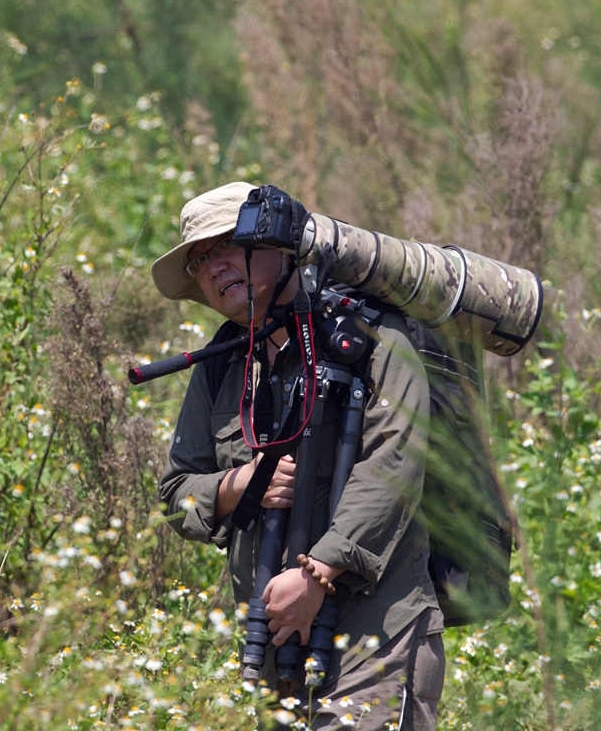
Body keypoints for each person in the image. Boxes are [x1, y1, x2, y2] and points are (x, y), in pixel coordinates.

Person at [155, 182, 445, 730]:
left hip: (376, 635)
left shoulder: (367, 337)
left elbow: (396, 463)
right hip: (269, 648)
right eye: (199, 260)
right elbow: (175, 493)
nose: (213, 267)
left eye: (225, 245)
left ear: (279, 245)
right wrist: (238, 484)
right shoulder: (221, 364)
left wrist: (316, 575)